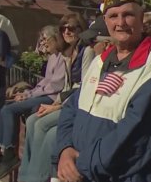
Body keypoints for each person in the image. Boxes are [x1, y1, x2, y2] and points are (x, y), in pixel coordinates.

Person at [55, 0, 151, 182]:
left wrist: (80, 165)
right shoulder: (99, 62)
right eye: (113, 16)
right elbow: (72, 107)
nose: (120, 22)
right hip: (86, 170)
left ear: (141, 20)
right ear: (105, 22)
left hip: (124, 174)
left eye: (128, 15)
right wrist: (65, 150)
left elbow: (134, 136)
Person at [18, 14, 98, 182]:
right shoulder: (68, 52)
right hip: (67, 103)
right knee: (32, 120)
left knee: (41, 125)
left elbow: (83, 87)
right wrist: (56, 103)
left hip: (77, 106)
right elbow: (67, 87)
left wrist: (57, 106)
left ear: (81, 30)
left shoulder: (87, 52)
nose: (67, 32)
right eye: (63, 28)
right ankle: (25, 174)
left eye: (72, 28)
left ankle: (36, 178)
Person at [0, 25, 66, 179]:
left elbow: (54, 86)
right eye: (41, 40)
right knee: (7, 107)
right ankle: (5, 147)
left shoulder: (62, 57)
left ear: (55, 38)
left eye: (45, 39)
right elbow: (44, 83)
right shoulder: (52, 57)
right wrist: (27, 93)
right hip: (43, 93)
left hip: (52, 97)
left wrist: (30, 96)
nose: (43, 43)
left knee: (8, 110)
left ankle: (8, 151)